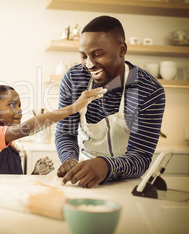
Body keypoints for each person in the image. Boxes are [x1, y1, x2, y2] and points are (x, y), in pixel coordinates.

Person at [55, 15, 166, 188]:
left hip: (126, 183)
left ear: (122, 50)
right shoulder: (74, 79)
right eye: (84, 56)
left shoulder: (149, 90)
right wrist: (69, 159)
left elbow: (140, 157)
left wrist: (105, 166)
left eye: (97, 54)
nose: (89, 64)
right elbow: (65, 133)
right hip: (81, 178)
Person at [0, 85, 106, 174]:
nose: (20, 109)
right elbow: (28, 128)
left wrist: (34, 174)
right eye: (11, 104)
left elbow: (14, 182)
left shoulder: (10, 145)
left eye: (19, 105)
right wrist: (74, 107)